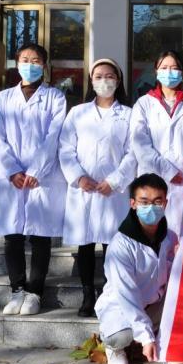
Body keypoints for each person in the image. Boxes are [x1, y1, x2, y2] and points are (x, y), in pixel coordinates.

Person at [0, 43, 67, 316]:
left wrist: (35, 171)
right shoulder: (3, 98)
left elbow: (54, 136)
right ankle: (17, 290)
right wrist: (12, 169)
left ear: (44, 65)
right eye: (25, 59)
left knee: (40, 235)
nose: (30, 65)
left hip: (41, 177)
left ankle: (35, 292)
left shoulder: (55, 97)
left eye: (35, 61)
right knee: (12, 236)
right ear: (16, 62)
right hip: (11, 176)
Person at [59, 59, 136, 317]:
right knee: (85, 243)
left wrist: (114, 181)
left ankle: (108, 293)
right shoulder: (77, 113)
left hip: (113, 191)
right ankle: (87, 294)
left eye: (110, 76)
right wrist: (79, 177)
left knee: (112, 244)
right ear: (91, 81)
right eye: (99, 76)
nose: (104, 81)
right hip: (84, 189)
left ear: (118, 80)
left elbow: (132, 152)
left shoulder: (128, 115)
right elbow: (66, 149)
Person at [96, 173, 178, 364]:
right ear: (133, 203)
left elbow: (171, 273)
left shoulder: (169, 237)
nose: (151, 207)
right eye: (144, 202)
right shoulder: (120, 245)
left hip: (154, 303)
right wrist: (146, 337)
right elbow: (127, 295)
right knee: (121, 336)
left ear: (165, 203)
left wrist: (177, 259)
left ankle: (163, 339)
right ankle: (114, 347)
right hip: (122, 307)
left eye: (157, 201)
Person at [130, 51, 183, 237]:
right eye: (164, 68)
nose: (169, 72)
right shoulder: (144, 104)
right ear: (156, 71)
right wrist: (168, 171)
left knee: (181, 235)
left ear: (182, 72)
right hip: (152, 177)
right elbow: (140, 144)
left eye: (174, 68)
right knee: (152, 235)